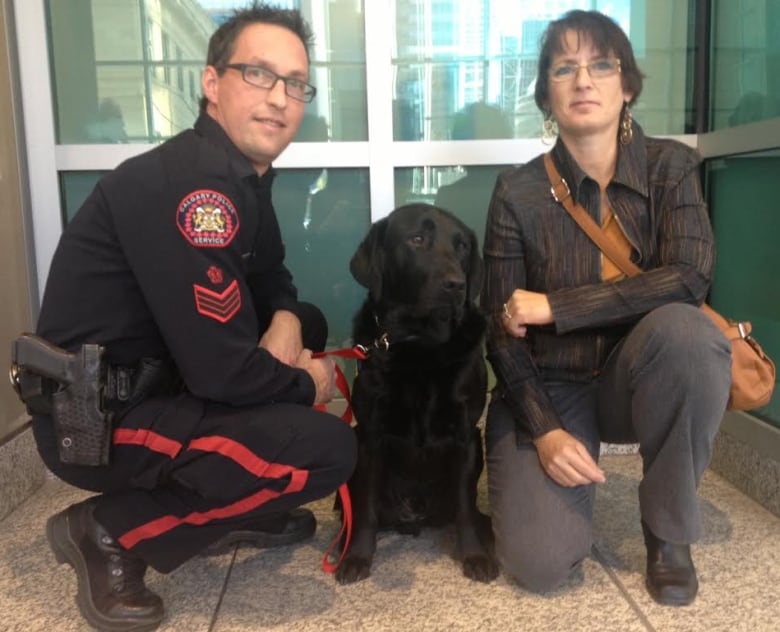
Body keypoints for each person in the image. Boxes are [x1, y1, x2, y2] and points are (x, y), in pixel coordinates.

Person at [25, 5, 356, 630]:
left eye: (295, 84)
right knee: (328, 450)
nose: (280, 98)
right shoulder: (192, 191)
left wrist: (286, 317)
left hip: (162, 384)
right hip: (102, 420)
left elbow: (272, 276)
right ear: (212, 83)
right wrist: (307, 384)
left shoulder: (238, 179)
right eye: (258, 74)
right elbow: (223, 373)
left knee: (306, 320)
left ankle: (231, 495)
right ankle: (107, 531)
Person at [481, 10, 731, 606]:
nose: (583, 80)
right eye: (564, 68)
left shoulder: (672, 168)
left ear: (627, 84)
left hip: (637, 377)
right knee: (539, 563)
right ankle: (556, 472)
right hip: (552, 384)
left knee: (688, 334)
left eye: (600, 64)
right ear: (546, 94)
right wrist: (543, 431)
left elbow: (688, 279)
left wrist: (557, 306)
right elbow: (501, 329)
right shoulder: (516, 191)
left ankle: (668, 531)